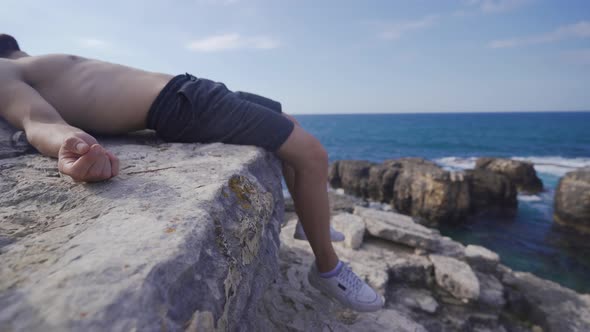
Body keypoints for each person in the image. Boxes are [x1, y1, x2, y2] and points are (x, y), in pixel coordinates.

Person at [0, 34, 383, 312]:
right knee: (313, 154)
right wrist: (69, 144)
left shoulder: (24, 61)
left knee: (290, 123)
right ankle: (328, 268)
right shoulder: (4, 71)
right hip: (180, 105)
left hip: (187, 88)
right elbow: (38, 120)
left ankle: (309, 221)